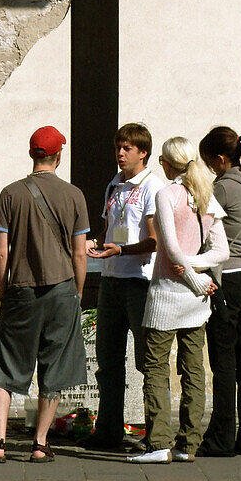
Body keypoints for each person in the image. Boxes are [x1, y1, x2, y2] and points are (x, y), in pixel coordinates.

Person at [0, 126, 89, 464]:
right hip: (62, 288)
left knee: (6, 363)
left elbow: (2, 252)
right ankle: (40, 442)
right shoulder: (74, 195)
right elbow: (80, 252)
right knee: (53, 365)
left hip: (20, 289)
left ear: (32, 154)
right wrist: (78, 291)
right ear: (59, 155)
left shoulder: (11, 193)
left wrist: (2, 289)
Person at [126, 137, 229, 464]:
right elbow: (220, 251)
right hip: (195, 300)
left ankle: (158, 443)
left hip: (169, 295)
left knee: (156, 368)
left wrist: (193, 276)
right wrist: (199, 276)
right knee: (193, 369)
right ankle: (188, 444)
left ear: (168, 163)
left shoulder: (167, 194)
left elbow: (170, 252)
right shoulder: (205, 196)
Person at [84, 123, 164, 450]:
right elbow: (113, 229)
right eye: (118, 146)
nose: (120, 153)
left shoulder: (151, 187)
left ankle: (156, 434)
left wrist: (122, 250)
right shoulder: (114, 184)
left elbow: (154, 240)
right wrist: (98, 245)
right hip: (112, 279)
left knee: (148, 362)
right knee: (108, 359)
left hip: (139, 282)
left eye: (127, 148)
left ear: (142, 152)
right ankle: (108, 431)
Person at [196, 126, 241, 458]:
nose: (210, 170)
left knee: (223, 362)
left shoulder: (222, 189)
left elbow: (203, 229)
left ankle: (221, 438)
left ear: (220, 159)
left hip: (228, 280)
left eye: (210, 164)